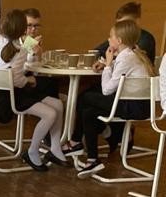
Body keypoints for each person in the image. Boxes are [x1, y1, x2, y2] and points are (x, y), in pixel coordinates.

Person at [0, 9, 69, 171]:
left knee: (57, 104)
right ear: (22, 29)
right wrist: (30, 80)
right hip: (12, 96)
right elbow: (18, 81)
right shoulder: (19, 49)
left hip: (7, 92)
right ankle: (32, 152)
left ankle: (55, 148)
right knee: (51, 113)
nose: (32, 29)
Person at [65, 18, 154, 177]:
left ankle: (75, 142)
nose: (108, 39)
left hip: (132, 107)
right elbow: (121, 70)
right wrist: (110, 64)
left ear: (119, 41)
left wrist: (107, 65)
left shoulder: (125, 58)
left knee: (85, 97)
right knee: (89, 112)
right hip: (140, 105)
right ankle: (93, 159)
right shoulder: (132, 54)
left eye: (110, 36)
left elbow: (106, 90)